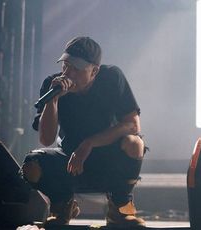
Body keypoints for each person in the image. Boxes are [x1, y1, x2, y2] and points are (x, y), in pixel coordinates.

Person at [21, 36, 146, 227]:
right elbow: (46, 139)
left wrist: (89, 143)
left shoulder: (112, 78)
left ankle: (120, 208)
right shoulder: (52, 85)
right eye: (66, 66)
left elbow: (133, 125)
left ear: (94, 71)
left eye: (76, 69)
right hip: (69, 159)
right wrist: (52, 101)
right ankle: (62, 207)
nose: (68, 73)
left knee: (134, 143)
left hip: (107, 158)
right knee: (31, 166)